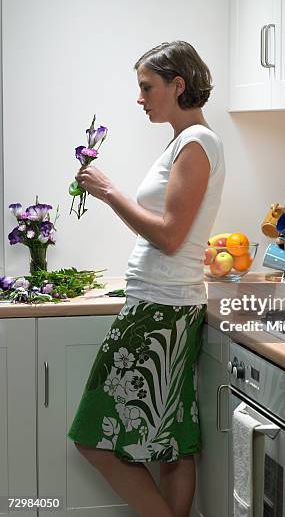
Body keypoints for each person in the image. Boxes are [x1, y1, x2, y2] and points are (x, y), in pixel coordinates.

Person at [67, 40, 225, 517]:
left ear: (178, 85)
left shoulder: (198, 144)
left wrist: (110, 191)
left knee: (94, 442)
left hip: (161, 308)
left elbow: (171, 236)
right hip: (165, 302)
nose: (140, 98)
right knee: (172, 441)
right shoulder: (186, 142)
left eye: (146, 86)